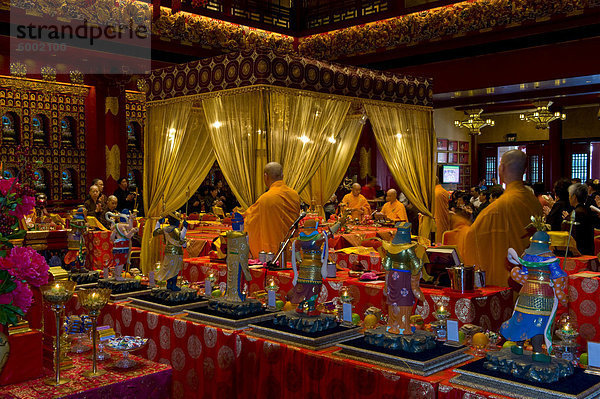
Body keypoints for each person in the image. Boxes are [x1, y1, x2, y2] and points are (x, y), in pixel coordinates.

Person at [461, 150, 543, 287]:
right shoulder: (533, 201)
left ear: (502, 168)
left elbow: (472, 237)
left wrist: (461, 229)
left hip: (509, 278)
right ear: (525, 170)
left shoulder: (498, 207)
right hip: (535, 275)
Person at [244, 162, 301, 258]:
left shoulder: (265, 199)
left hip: (272, 252)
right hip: (293, 249)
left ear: (265, 177)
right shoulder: (294, 195)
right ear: (282, 176)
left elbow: (249, 221)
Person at [567, 183, 597, 255]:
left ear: (574, 197)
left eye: (569, 195)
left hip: (579, 251)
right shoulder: (587, 210)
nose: (569, 198)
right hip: (588, 249)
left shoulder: (577, 213)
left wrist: (566, 219)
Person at [434, 177, 450, 244]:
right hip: (443, 218)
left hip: (437, 219)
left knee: (438, 241)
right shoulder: (443, 191)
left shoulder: (436, 192)